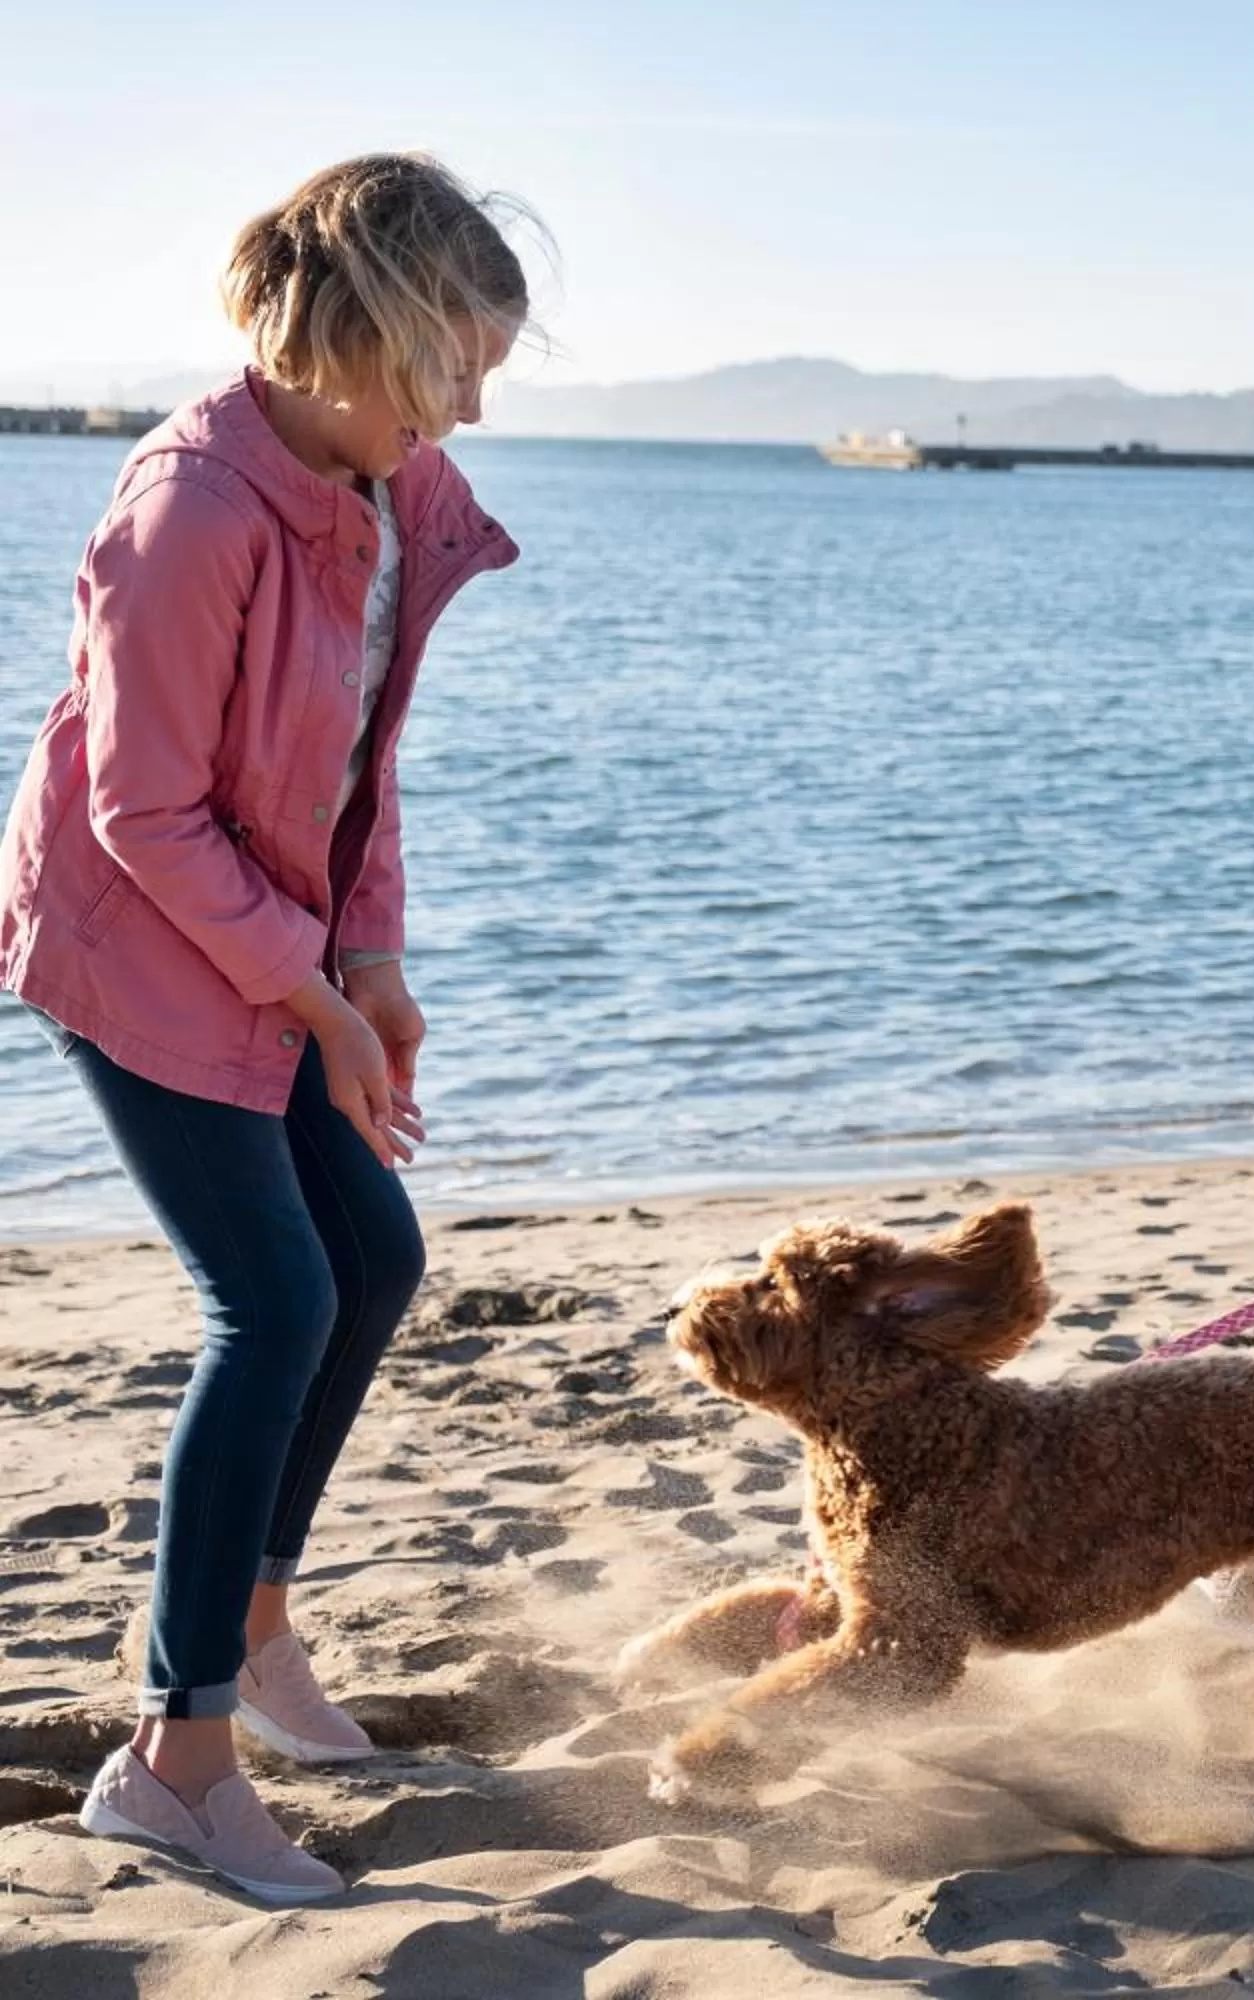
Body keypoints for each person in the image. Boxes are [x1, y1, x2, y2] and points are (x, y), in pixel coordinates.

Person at [0, 154, 532, 1902]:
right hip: (133, 941)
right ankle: (175, 1766)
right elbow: (142, 815)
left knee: (372, 1261)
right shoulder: (191, 511)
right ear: (355, 336)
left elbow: (356, 767)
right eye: (452, 369)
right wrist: (308, 993)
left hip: (274, 932)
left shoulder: (392, 481)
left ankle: (252, 1623)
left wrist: (371, 966)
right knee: (277, 1298)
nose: (470, 412)